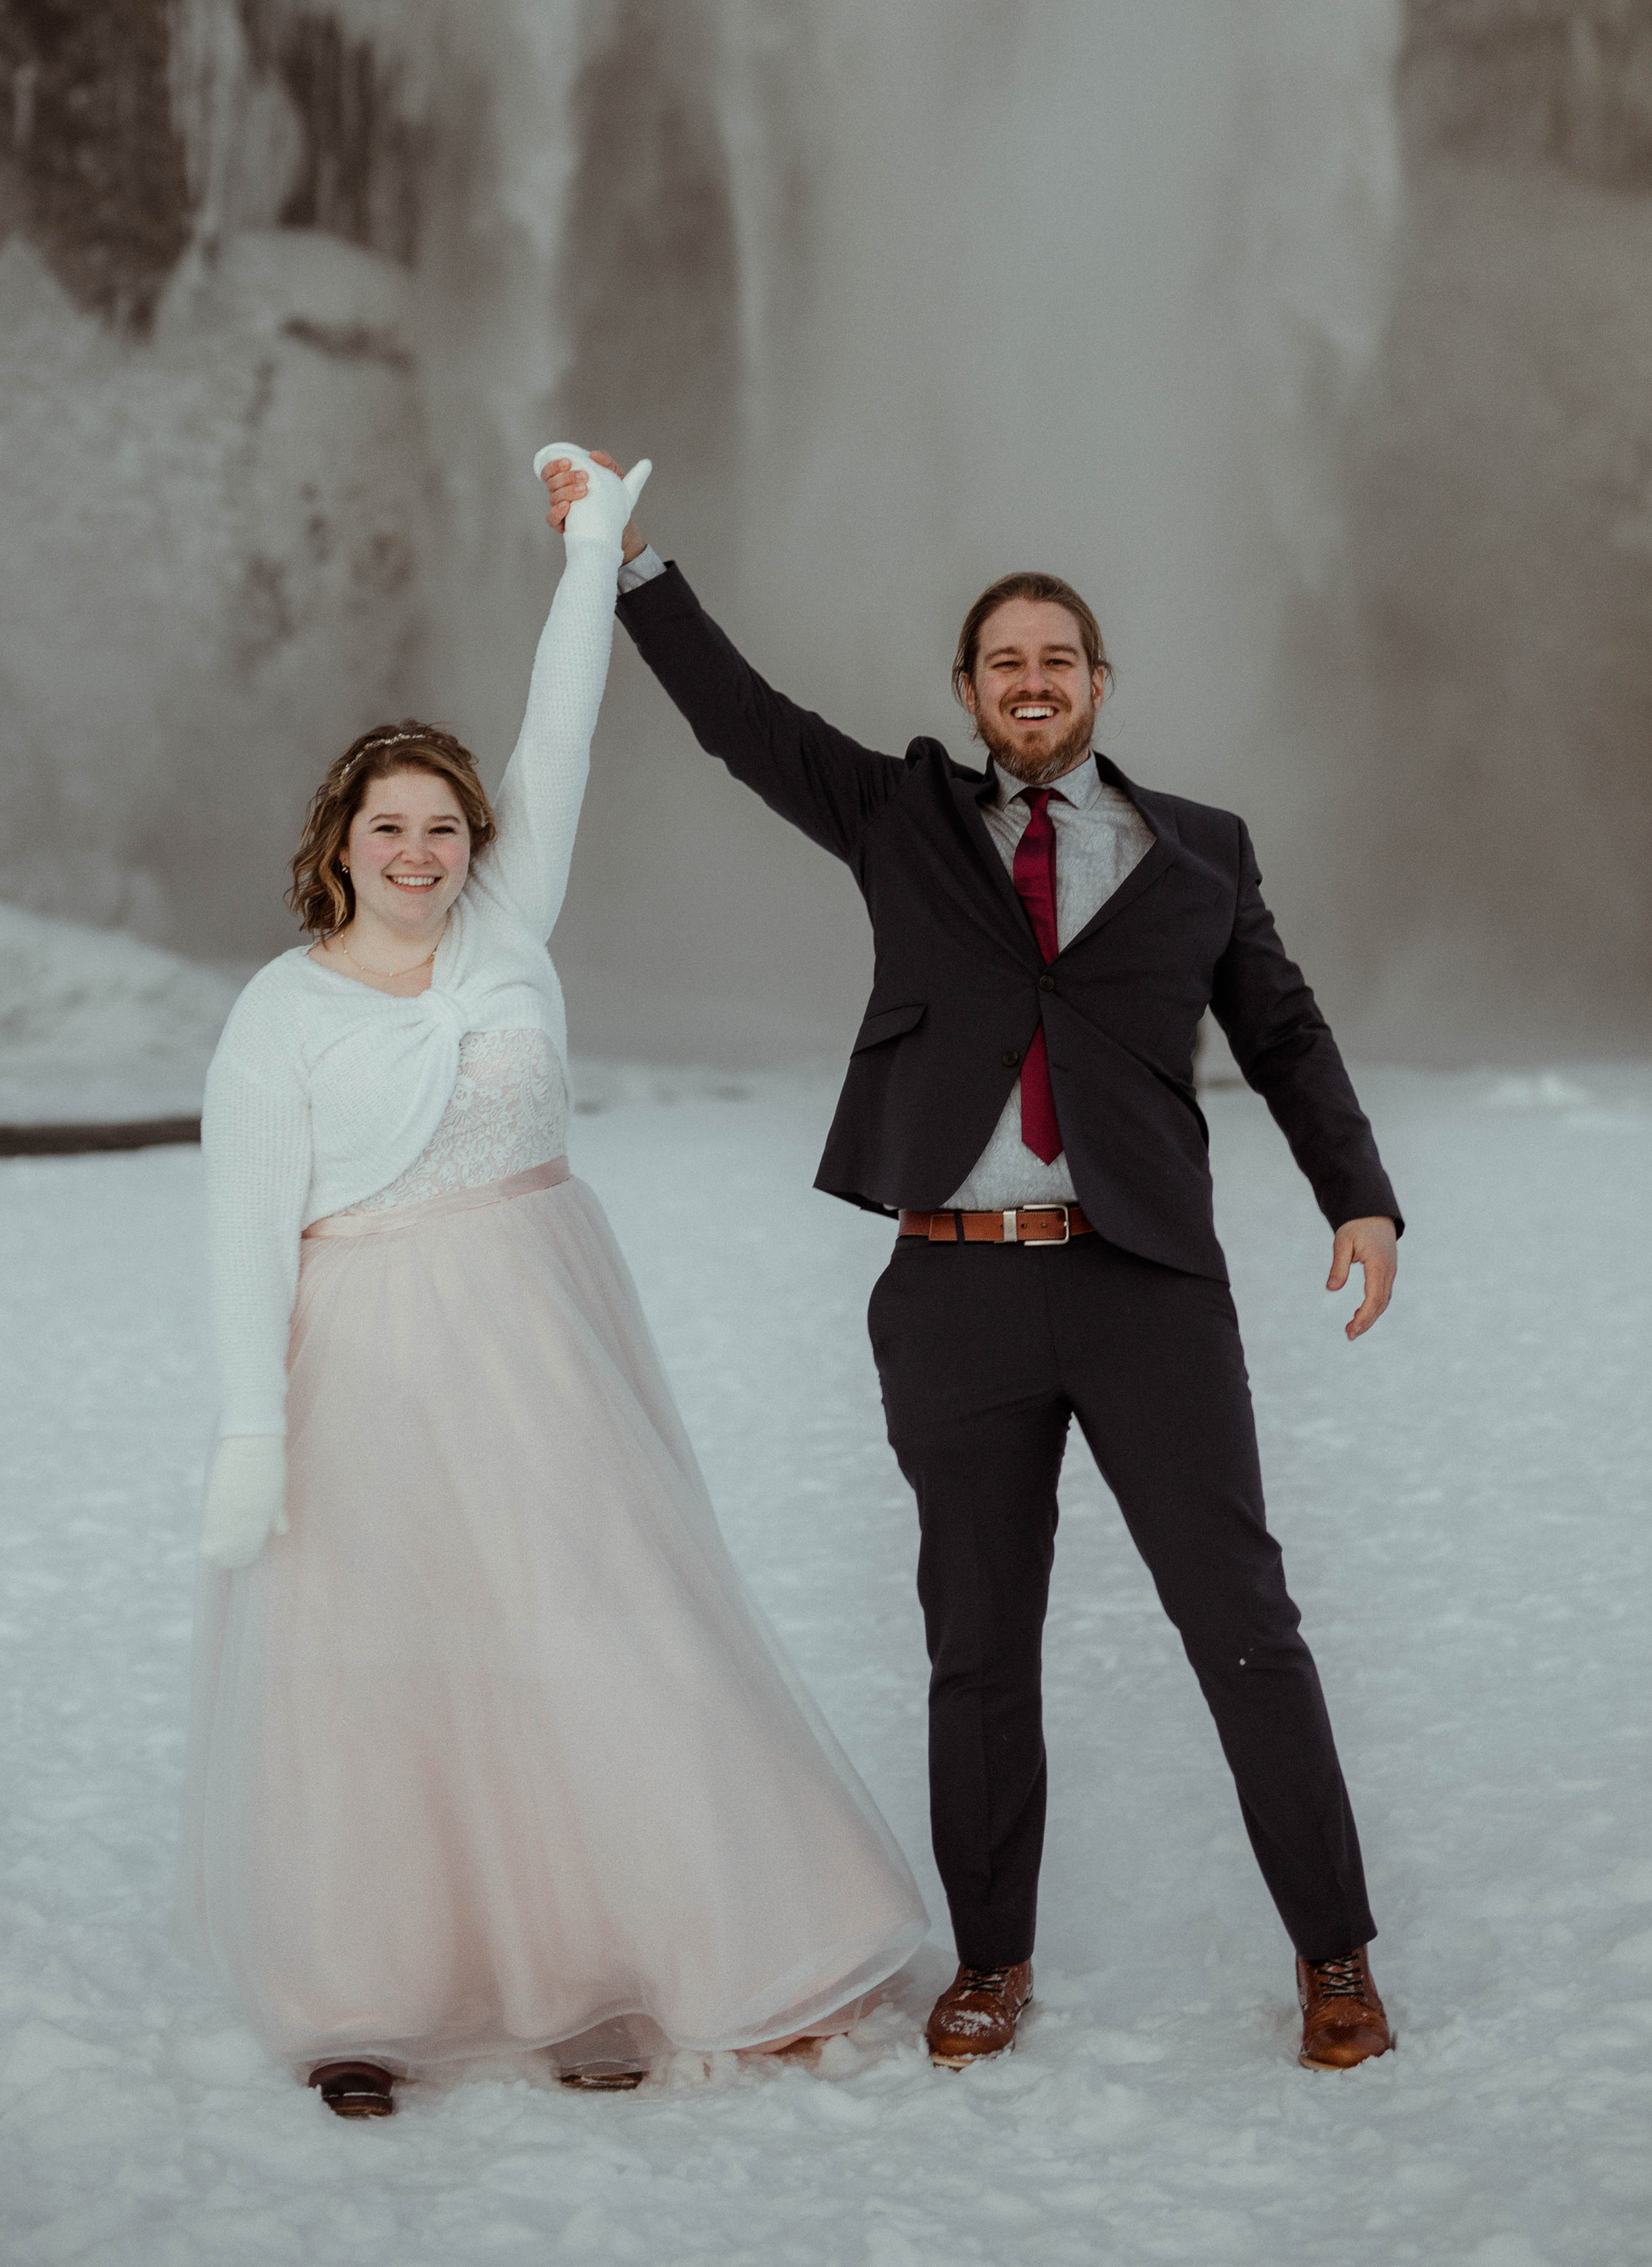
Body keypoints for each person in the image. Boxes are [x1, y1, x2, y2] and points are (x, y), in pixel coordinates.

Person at [546, 454, 1401, 2075]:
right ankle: (992, 1962)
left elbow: (1283, 1034)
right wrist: (631, 559)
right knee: (977, 1639)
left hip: (1147, 1285)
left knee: (1244, 1624)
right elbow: (743, 719)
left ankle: (1336, 1957)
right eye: (1004, 660)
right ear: (968, 687)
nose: (1031, 682)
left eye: (1057, 659)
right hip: (954, 1291)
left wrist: (1356, 1197)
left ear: (1097, 684)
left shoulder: (1202, 848)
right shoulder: (899, 816)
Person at [179, 449, 925, 2115]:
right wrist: (249, 1435)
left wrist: (595, 545)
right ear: (339, 842)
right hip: (361, 1356)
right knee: (375, 1664)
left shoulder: (511, 924)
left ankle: (609, 1970)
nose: (423, 850)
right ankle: (364, 1994)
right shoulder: (278, 1016)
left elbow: (560, 731)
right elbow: (243, 1229)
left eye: (444, 826)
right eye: (392, 827)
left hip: (537, 1344)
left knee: (590, 1635)